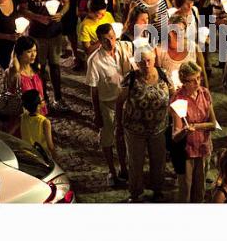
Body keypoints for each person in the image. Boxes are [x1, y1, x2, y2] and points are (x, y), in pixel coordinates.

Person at [115, 46, 173, 202]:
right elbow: (120, 102)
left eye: (149, 60)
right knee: (135, 162)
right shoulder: (131, 78)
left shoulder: (164, 74)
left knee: (158, 161)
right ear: (137, 63)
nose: (146, 64)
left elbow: (173, 95)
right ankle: (135, 193)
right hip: (135, 130)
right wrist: (118, 125)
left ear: (154, 58)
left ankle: (157, 190)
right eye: (142, 62)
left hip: (159, 128)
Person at [19, 0, 69, 111]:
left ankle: (58, 97)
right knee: (39, 67)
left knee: (55, 66)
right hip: (37, 34)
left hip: (55, 32)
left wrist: (62, 13)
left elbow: (66, 2)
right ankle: (43, 97)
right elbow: (22, 9)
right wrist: (38, 18)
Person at [86, 23, 133, 188]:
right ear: (99, 40)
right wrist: (97, 114)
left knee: (122, 135)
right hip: (107, 104)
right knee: (107, 138)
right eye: (106, 40)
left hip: (125, 100)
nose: (110, 42)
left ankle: (123, 167)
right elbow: (93, 89)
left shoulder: (123, 48)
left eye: (112, 38)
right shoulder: (94, 61)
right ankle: (112, 171)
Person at [170, 61, 217, 203]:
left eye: (198, 77)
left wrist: (194, 127)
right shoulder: (178, 99)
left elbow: (214, 124)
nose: (197, 83)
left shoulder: (205, 93)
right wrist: (185, 130)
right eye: (192, 80)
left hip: (203, 147)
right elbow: (175, 136)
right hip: (187, 152)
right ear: (183, 81)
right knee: (186, 189)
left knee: (200, 189)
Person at [155, 15, 207, 89]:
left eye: (181, 30)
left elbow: (203, 75)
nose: (178, 34)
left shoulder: (194, 48)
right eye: (174, 31)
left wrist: (205, 94)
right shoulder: (159, 51)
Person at [20, 89, 57, 159]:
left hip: (27, 154)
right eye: (42, 99)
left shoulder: (22, 117)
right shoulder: (44, 122)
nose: (44, 100)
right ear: (38, 105)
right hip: (41, 156)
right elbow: (50, 146)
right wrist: (55, 159)